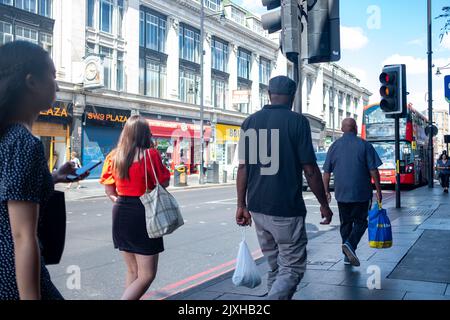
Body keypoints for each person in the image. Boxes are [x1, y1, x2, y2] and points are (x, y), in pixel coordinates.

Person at [0, 41, 88, 300]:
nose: (58, 85)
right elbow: (22, 235)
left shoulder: (7, 137)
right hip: (14, 278)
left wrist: (53, 177)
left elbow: (8, 193)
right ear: (31, 82)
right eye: (52, 75)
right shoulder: (24, 142)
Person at [236, 76, 333, 300]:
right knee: (292, 268)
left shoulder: (249, 122)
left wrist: (241, 205)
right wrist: (324, 204)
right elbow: (310, 169)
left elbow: (243, 167)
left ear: (268, 93)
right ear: (293, 95)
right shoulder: (298, 122)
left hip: (258, 208)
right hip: (285, 208)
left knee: (275, 266)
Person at [100, 115, 170, 300]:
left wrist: (122, 203)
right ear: (145, 133)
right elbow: (164, 181)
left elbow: (109, 190)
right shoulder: (150, 155)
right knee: (147, 274)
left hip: (121, 211)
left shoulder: (114, 156)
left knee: (132, 271)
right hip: (143, 212)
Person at [323, 118, 383, 267]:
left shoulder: (334, 146)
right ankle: (350, 244)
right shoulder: (364, 145)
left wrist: (326, 191)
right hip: (361, 193)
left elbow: (326, 172)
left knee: (346, 223)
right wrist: (378, 190)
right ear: (355, 128)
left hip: (342, 193)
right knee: (361, 222)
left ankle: (346, 255)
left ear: (342, 129)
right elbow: (373, 170)